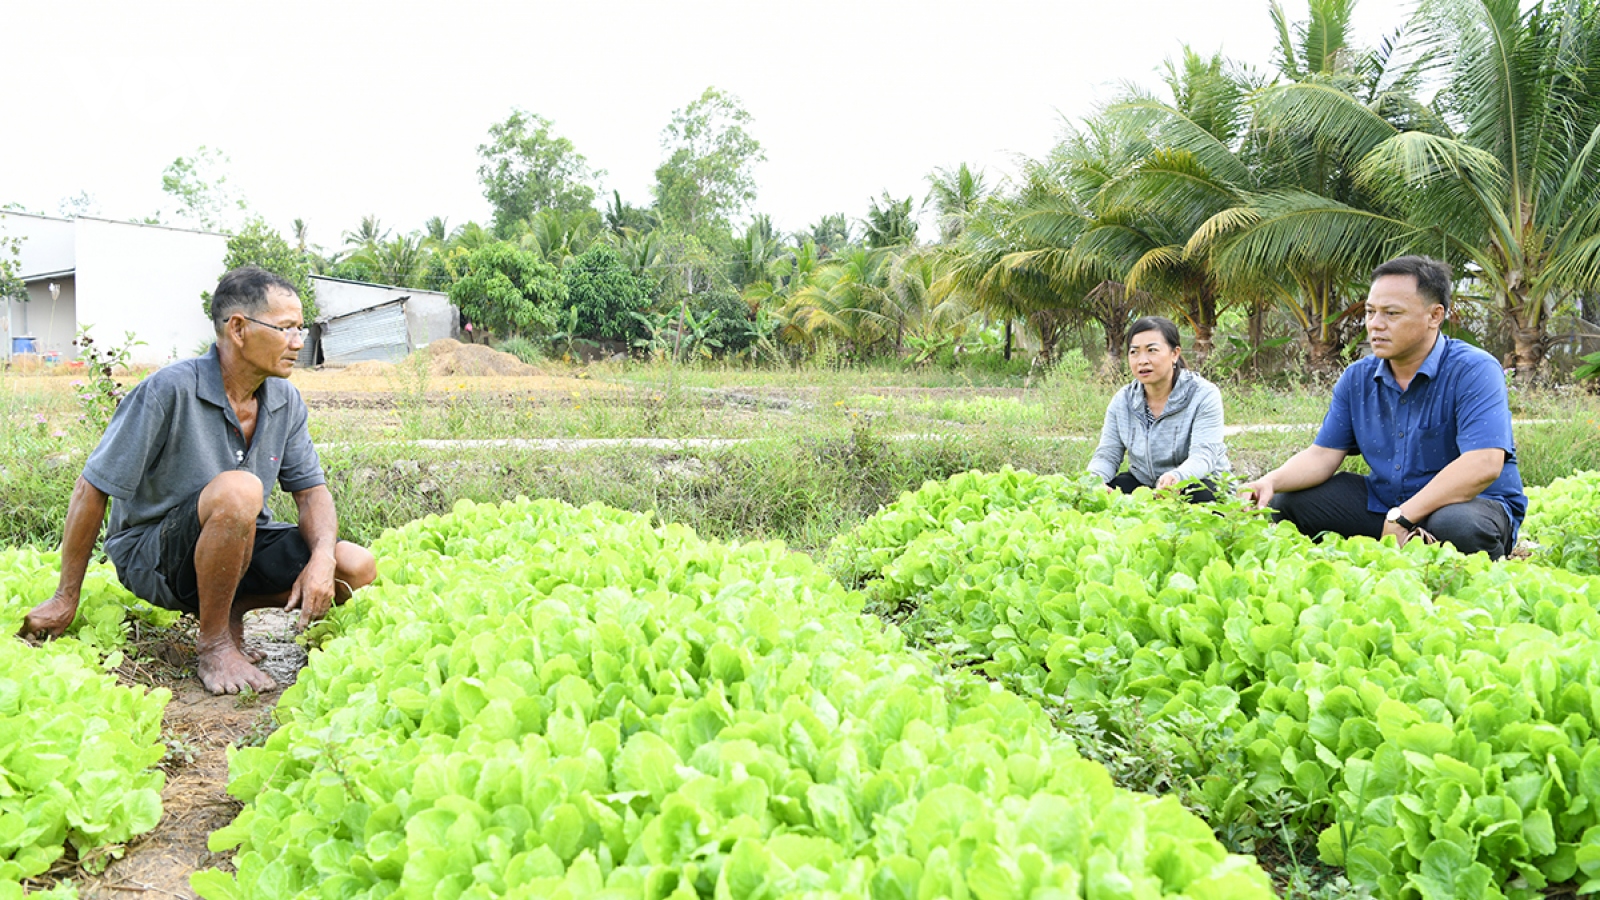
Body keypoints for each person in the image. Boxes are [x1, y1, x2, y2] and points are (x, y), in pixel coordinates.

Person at [20, 266, 377, 694]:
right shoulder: (169, 389)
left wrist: (321, 557)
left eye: (301, 329)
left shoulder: (284, 399)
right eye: (286, 329)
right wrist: (65, 597)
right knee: (240, 489)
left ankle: (229, 609)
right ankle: (214, 645)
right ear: (239, 329)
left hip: (236, 544)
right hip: (154, 555)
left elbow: (311, 492)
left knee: (354, 566)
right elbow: (91, 488)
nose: (298, 343)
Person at [1240, 255, 1526, 559]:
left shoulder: (1473, 369)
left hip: (1468, 505)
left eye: (1391, 313)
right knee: (1286, 502)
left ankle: (1472, 564)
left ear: (1435, 315)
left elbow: (1483, 464)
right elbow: (1322, 456)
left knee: (1456, 525)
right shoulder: (1358, 378)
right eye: (1370, 312)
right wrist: (1269, 481)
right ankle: (1372, 558)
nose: (1375, 325)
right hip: (1387, 504)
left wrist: (1403, 516)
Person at [1088, 316, 1231, 502]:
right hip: (1146, 484)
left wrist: (1176, 478)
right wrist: (1093, 481)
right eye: (1134, 352)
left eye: (1152, 350)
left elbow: (1204, 455)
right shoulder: (1122, 401)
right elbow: (1107, 454)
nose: (1142, 360)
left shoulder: (1203, 394)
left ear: (1175, 354)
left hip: (1193, 482)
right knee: (1109, 492)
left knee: (1202, 493)